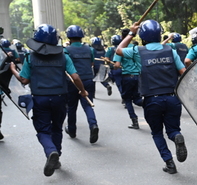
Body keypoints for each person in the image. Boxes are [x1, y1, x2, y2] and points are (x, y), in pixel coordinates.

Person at [10, 24, 88, 176]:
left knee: (43, 130)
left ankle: (51, 151)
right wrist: (83, 91)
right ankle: (56, 155)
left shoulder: (30, 57)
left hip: (40, 99)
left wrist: (13, 69)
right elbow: (75, 77)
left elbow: (24, 80)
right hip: (60, 98)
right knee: (57, 128)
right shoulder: (64, 56)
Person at [116, 20, 187, 174]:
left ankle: (169, 162)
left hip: (152, 100)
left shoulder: (137, 51)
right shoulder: (170, 50)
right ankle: (177, 137)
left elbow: (119, 51)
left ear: (142, 36)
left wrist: (130, 33)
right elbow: (183, 72)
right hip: (172, 98)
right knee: (172, 129)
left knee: (156, 132)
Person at [63, 25, 99, 144]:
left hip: (72, 82)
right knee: (88, 105)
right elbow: (92, 63)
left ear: (69, 37)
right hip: (88, 80)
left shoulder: (66, 50)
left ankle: (72, 130)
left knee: (72, 107)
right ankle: (93, 125)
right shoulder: (90, 49)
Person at [113, 28, 144, 129]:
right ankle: (149, 105)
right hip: (137, 76)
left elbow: (117, 65)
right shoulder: (136, 48)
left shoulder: (121, 49)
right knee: (137, 99)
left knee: (127, 99)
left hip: (127, 77)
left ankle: (134, 121)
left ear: (122, 37)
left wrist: (116, 65)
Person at [106, 34, 124, 99]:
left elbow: (107, 59)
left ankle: (124, 98)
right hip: (125, 68)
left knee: (119, 84)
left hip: (115, 69)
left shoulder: (110, 49)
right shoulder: (124, 48)